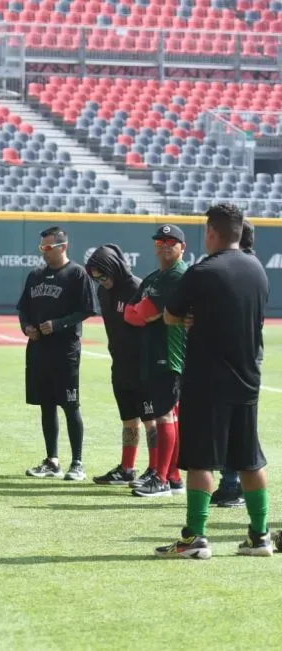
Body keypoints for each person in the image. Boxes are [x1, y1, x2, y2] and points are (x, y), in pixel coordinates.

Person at [155, 203, 272, 558]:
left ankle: (195, 538)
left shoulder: (202, 270)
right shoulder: (258, 270)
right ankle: (259, 536)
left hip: (207, 380)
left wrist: (189, 318)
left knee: (201, 461)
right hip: (248, 378)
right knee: (249, 459)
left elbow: (170, 315)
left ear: (211, 232)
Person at [16, 227, 98, 481]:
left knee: (70, 404)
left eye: (47, 248)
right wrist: (27, 327)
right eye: (41, 248)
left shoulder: (76, 275)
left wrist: (59, 324)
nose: (43, 252)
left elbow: (88, 309)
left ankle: (78, 463)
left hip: (65, 351)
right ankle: (52, 460)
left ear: (62, 247)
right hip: (39, 349)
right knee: (46, 404)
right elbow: (23, 309)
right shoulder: (35, 275)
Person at [123, 225, 187, 499]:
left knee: (164, 415)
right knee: (166, 414)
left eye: (171, 241)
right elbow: (131, 314)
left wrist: (146, 312)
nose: (164, 245)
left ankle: (162, 478)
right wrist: (145, 312)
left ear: (182, 248)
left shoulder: (178, 276)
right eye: (160, 240)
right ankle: (171, 476)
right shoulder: (152, 277)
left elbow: (146, 311)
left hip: (169, 353)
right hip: (153, 352)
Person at [85, 244, 157, 486]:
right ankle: (127, 468)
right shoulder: (103, 292)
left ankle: (155, 469)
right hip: (120, 363)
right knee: (128, 419)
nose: (100, 281)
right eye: (96, 277)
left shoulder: (136, 287)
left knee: (150, 420)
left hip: (143, 366)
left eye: (103, 275)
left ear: (113, 268)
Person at [209, 219, 256, 509]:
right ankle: (232, 484)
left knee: (230, 427)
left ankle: (231, 485)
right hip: (246, 359)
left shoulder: (235, 267)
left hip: (231, 359)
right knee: (238, 427)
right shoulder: (253, 267)